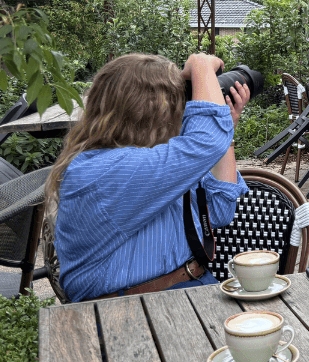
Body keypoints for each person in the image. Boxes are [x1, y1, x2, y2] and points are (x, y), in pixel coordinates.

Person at [43, 52, 251, 302]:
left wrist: (225, 130)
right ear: (150, 112)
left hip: (187, 291)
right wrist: (201, 66)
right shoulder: (101, 171)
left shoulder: (153, 164)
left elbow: (219, 209)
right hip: (129, 308)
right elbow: (205, 142)